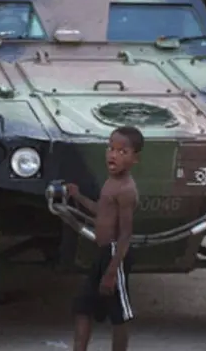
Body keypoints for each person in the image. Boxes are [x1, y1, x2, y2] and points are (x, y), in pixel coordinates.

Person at [64, 126, 144, 351]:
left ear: (135, 159)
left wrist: (111, 271)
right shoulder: (111, 183)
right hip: (102, 254)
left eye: (122, 152)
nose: (113, 155)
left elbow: (126, 233)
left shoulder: (126, 189)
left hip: (115, 255)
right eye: (111, 148)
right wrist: (77, 196)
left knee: (119, 315)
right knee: (83, 306)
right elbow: (102, 211)